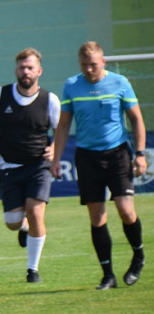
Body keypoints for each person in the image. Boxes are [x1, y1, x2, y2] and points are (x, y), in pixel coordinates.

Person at [52, 41, 148, 290]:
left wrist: (139, 153)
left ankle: (138, 256)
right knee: (97, 217)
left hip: (117, 153)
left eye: (93, 65)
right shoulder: (72, 85)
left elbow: (136, 119)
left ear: (103, 62)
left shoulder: (119, 83)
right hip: (87, 156)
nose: (89, 70)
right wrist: (55, 158)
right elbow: (63, 125)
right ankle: (108, 275)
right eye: (84, 65)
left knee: (125, 210)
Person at [0, 48, 60, 283]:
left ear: (39, 71)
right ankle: (22, 226)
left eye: (30, 67)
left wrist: (54, 150)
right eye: (22, 67)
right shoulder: (0, 95)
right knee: (12, 223)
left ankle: (32, 270)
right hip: (8, 167)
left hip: (38, 167)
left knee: (35, 212)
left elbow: (60, 129)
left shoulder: (49, 99)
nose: (26, 71)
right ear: (16, 70)